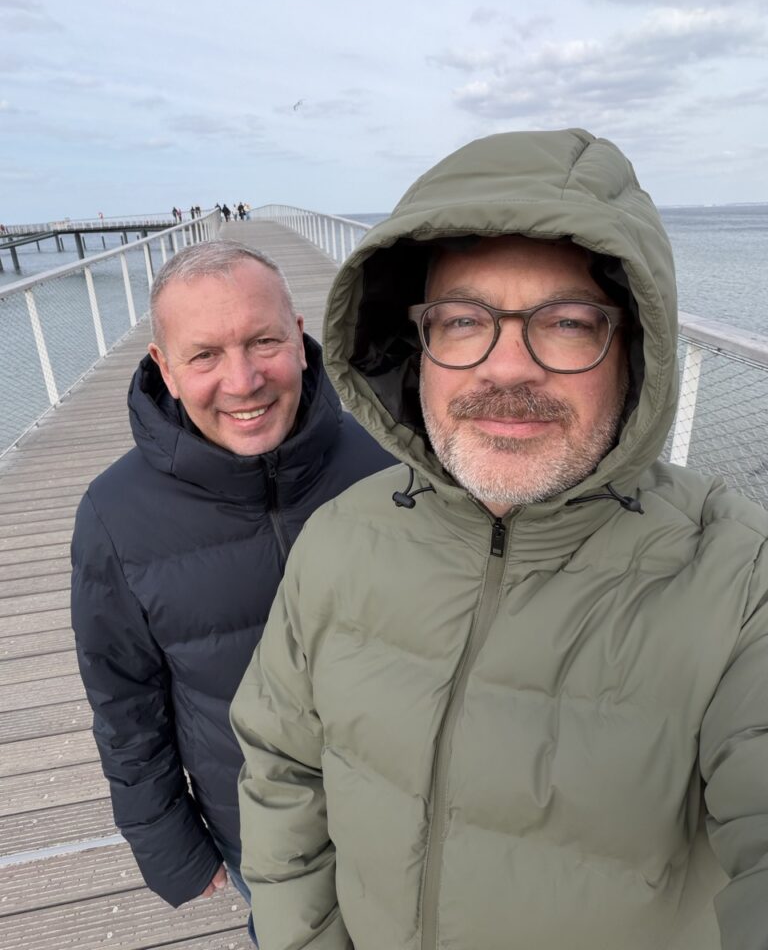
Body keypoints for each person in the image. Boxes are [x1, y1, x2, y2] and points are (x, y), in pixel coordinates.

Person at [231, 129, 768, 950]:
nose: (506, 369)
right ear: (417, 349)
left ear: (636, 350)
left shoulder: (737, 575)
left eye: (565, 323)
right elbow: (281, 770)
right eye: (462, 320)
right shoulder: (340, 540)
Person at [70, 240, 392, 930]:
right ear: (165, 367)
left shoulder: (386, 465)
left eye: (263, 341)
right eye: (205, 354)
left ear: (301, 341)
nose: (243, 380)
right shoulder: (116, 513)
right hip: (255, 832)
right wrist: (170, 842)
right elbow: (123, 698)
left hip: (406, 808)